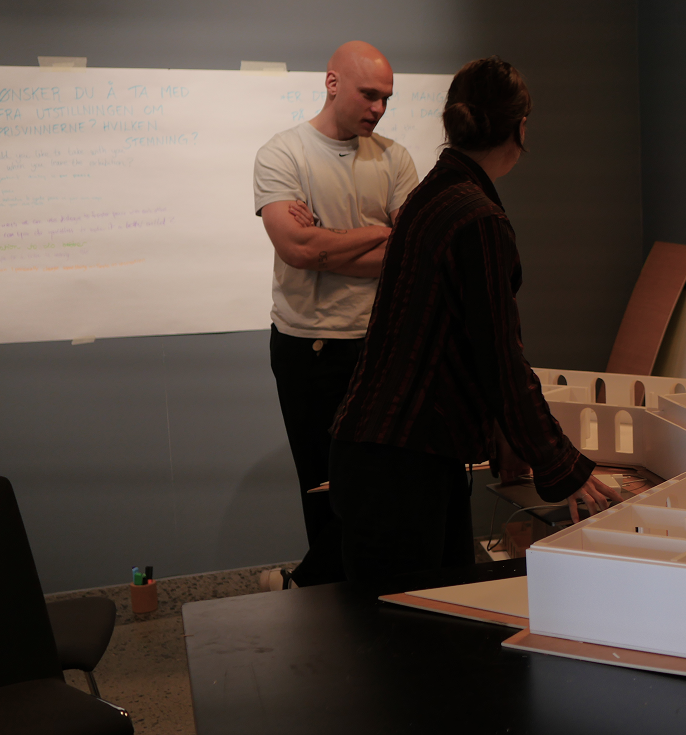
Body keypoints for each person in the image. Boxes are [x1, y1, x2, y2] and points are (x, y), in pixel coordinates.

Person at [327, 56, 620, 582]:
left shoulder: (431, 196)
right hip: (405, 467)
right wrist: (564, 468)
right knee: (418, 642)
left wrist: (506, 437)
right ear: (521, 128)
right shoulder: (478, 218)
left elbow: (454, 342)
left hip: (378, 453)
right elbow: (500, 360)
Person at [252, 41, 418, 588]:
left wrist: (327, 241)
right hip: (308, 346)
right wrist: (378, 232)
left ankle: (329, 587)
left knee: (379, 482)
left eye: (386, 99)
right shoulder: (284, 154)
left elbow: (409, 258)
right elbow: (296, 250)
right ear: (332, 83)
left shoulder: (395, 159)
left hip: (379, 344)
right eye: (369, 94)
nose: (378, 108)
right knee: (322, 481)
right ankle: (323, 595)